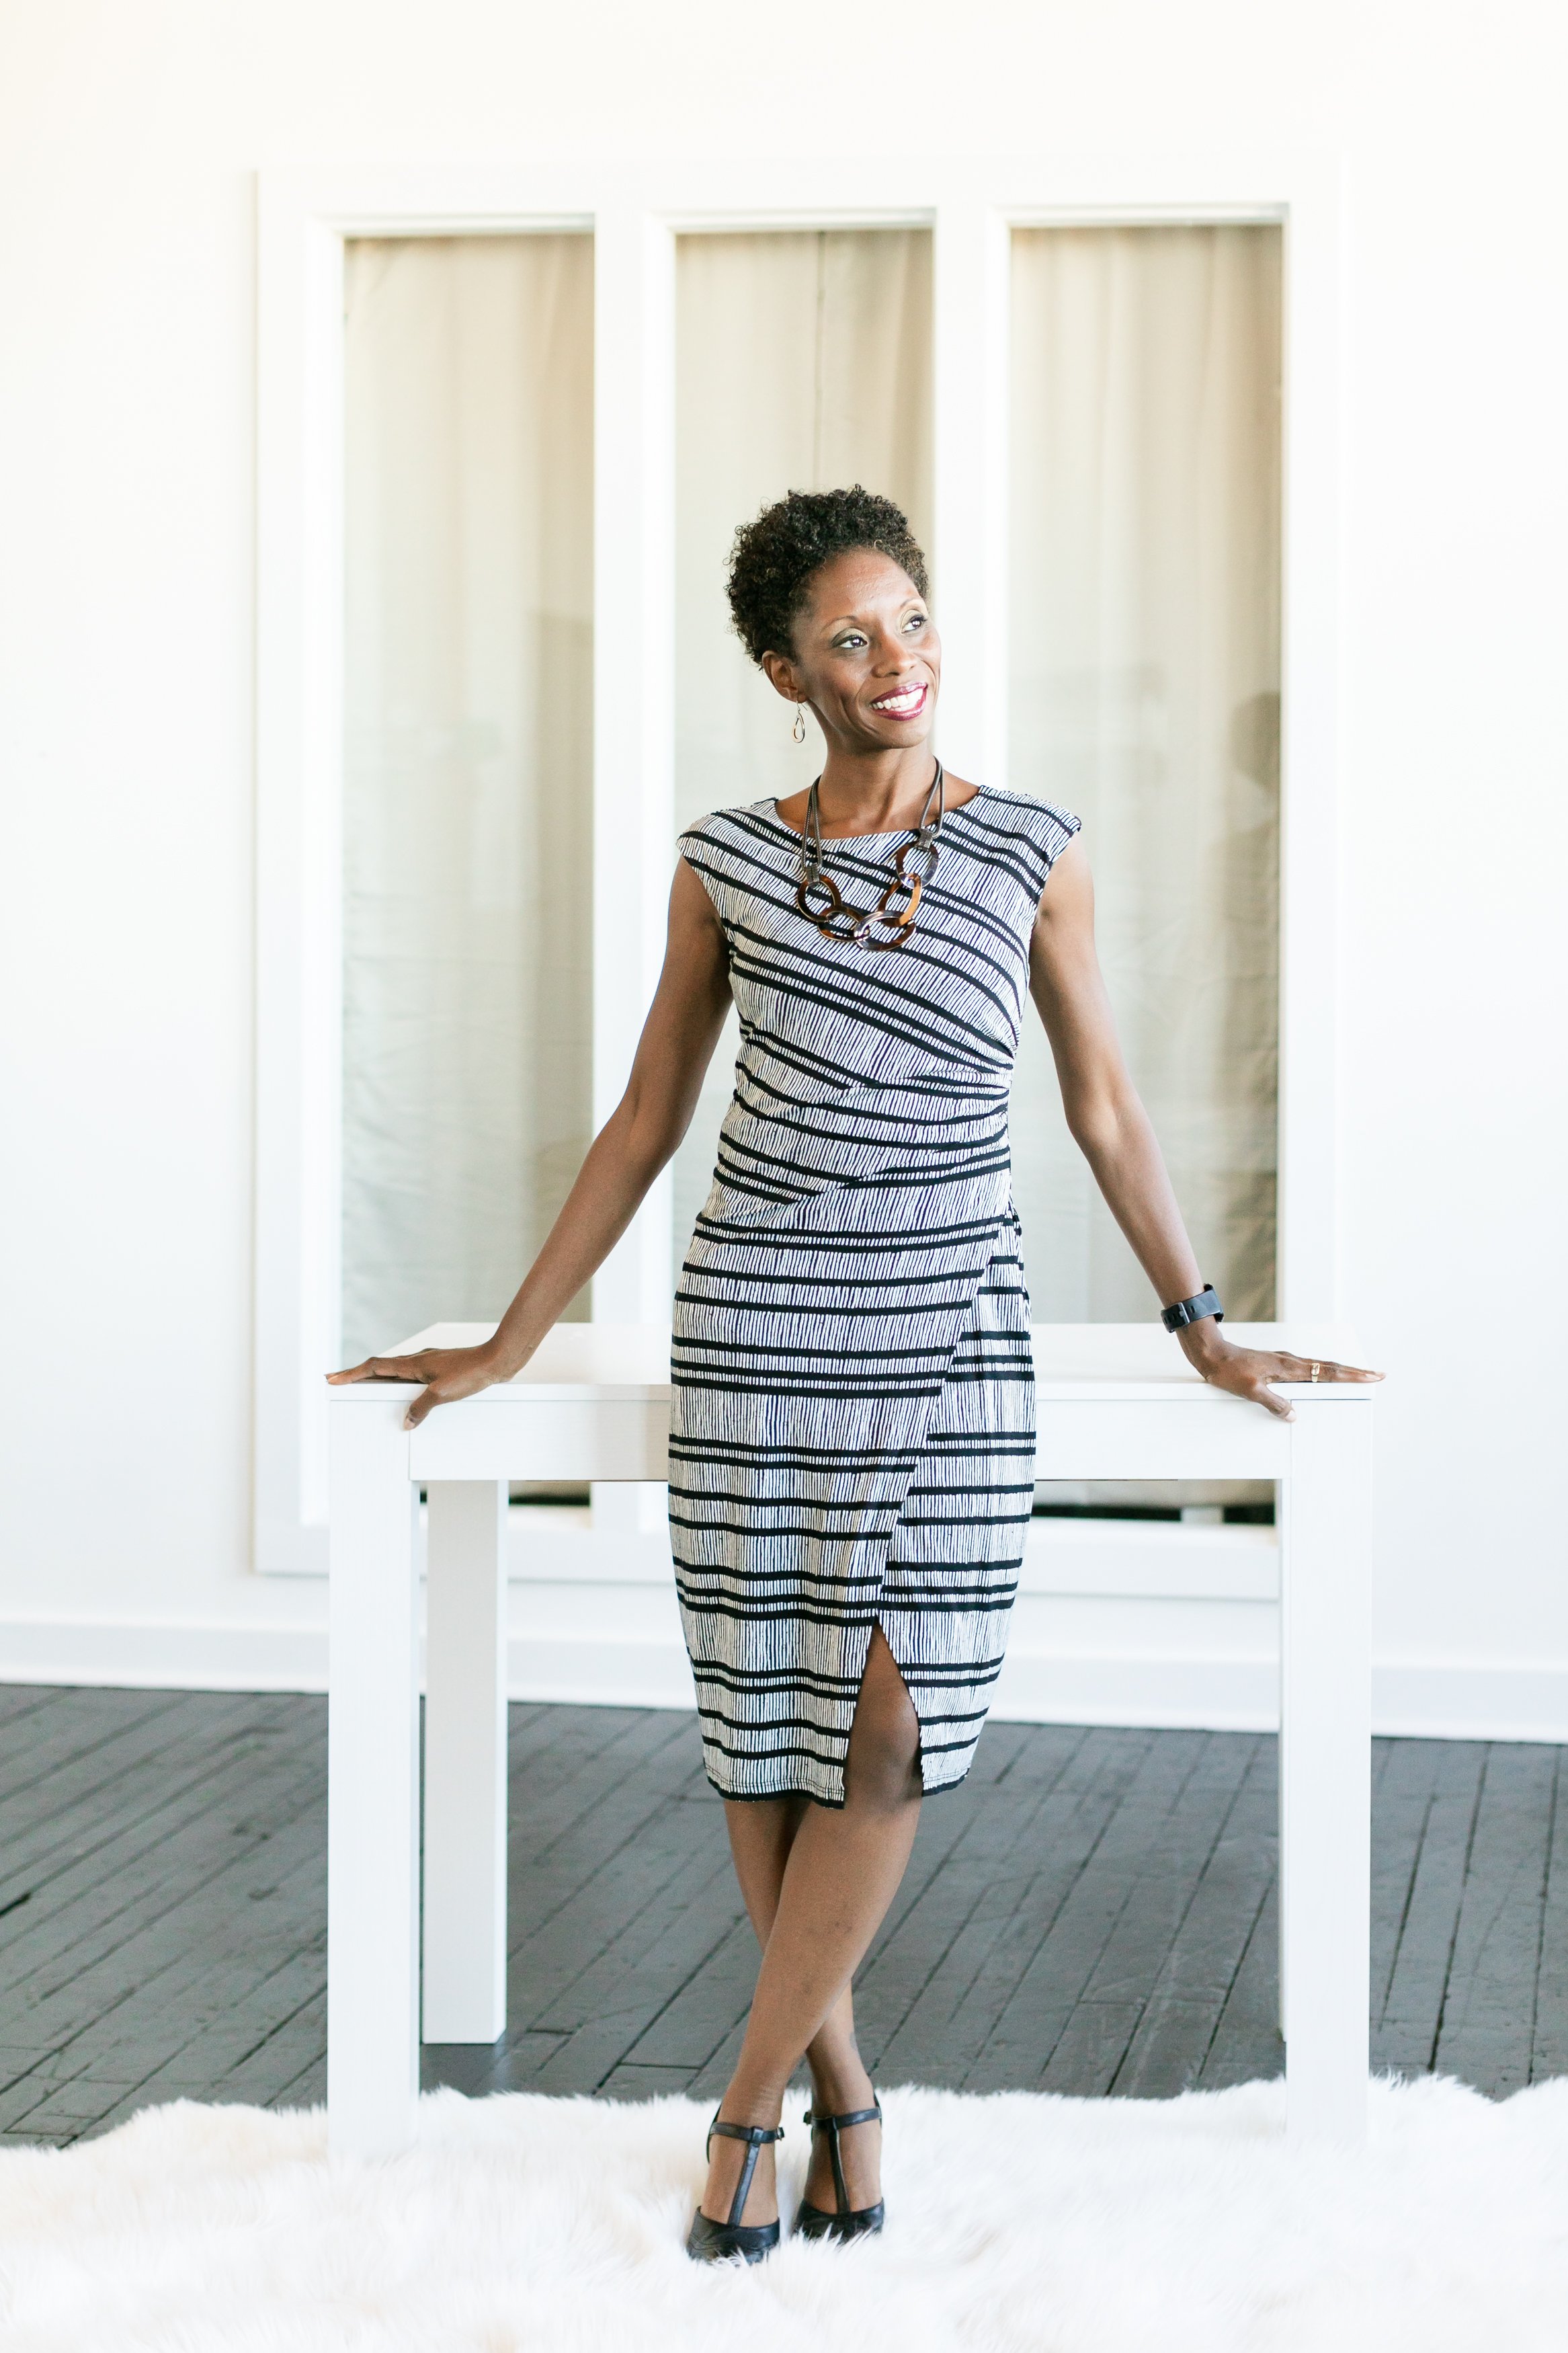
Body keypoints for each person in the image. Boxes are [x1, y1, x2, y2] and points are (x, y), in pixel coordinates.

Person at [331, 485, 1379, 2264]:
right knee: (766, 1731)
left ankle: (748, 2104)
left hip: (952, 1323)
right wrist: (512, 1331)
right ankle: (845, 2099)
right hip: (758, 1319)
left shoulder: (1033, 841)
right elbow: (653, 1109)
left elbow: (1103, 1098)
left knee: (885, 1737)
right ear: (782, 667)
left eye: (913, 622)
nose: (898, 662)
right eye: (851, 637)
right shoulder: (727, 859)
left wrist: (1200, 1316)